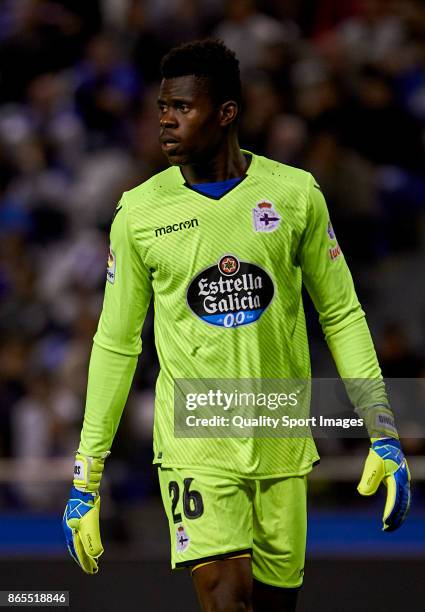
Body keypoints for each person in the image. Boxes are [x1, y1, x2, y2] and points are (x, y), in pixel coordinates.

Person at [62, 40, 411, 612]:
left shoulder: (295, 195)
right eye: (161, 107)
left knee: (275, 606)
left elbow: (342, 313)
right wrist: (86, 473)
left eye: (182, 107)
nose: (166, 120)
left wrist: (383, 430)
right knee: (225, 597)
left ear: (226, 113)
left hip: (280, 435)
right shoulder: (140, 213)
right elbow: (116, 342)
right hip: (194, 439)